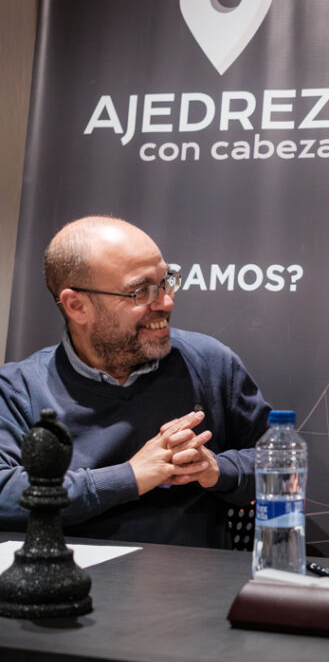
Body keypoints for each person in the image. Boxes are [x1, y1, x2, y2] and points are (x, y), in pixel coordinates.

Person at [0, 215, 269, 548]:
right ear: (77, 305)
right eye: (142, 292)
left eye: (167, 280)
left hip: (195, 585)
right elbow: (4, 492)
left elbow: (280, 460)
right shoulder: (20, 388)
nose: (167, 302)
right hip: (66, 583)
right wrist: (130, 477)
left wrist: (217, 469)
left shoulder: (209, 363)